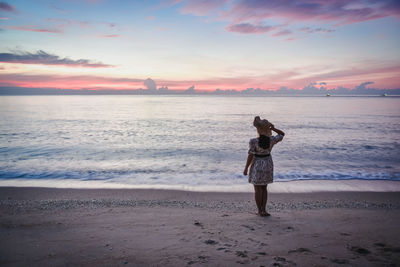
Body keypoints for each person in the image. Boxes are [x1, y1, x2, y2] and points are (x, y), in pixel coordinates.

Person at [243, 116, 285, 216]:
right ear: (267, 129)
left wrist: (246, 168)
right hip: (268, 163)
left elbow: (251, 155)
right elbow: (282, 134)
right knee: (264, 188)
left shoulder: (253, 141)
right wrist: (273, 128)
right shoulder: (272, 139)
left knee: (257, 189)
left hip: (257, 164)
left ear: (258, 129)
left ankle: (259, 211)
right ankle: (264, 210)